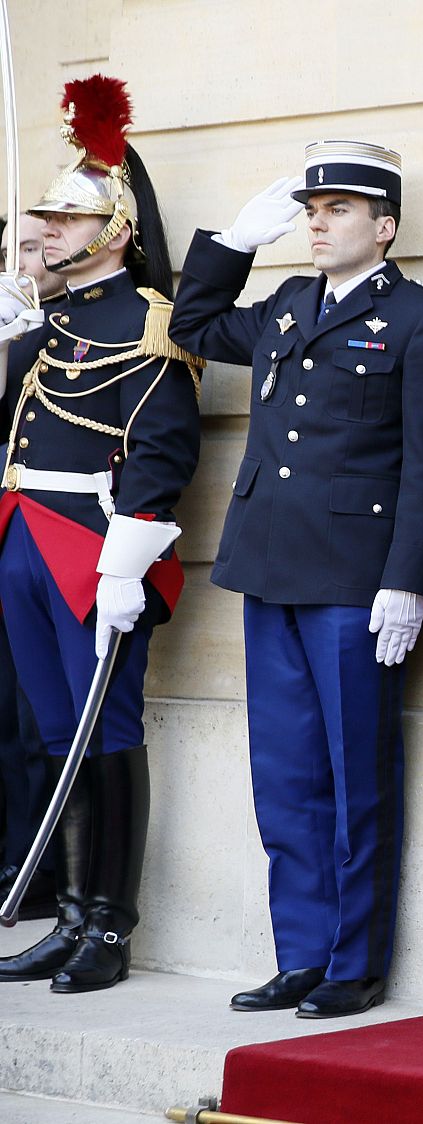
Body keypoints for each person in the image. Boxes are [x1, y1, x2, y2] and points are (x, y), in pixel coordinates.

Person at [167, 142, 423, 1018]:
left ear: (384, 226)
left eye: (337, 209)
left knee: (356, 773)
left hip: (355, 581)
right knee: (286, 773)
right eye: (311, 208)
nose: (316, 221)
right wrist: (232, 242)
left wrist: (411, 577)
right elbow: (191, 326)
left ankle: (353, 962)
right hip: (269, 566)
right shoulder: (286, 304)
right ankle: (299, 952)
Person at [0, 75, 202, 993]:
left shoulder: (148, 324)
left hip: (93, 552)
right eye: (45, 217)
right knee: (53, 732)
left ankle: (109, 931)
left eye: (67, 219)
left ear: (115, 231)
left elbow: (161, 455)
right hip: (21, 538)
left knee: (104, 732)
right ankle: (69, 914)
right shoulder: (44, 321)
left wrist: (130, 558)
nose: (48, 230)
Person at [0, 212, 66, 916]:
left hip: (44, 543)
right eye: (12, 247)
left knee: (31, 717)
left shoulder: (74, 327)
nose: (23, 257)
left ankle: (40, 871)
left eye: (30, 242)